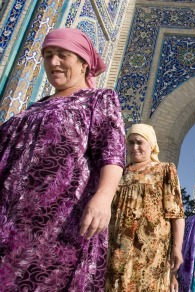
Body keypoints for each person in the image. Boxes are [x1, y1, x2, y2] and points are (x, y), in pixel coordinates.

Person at [0, 28, 125, 290]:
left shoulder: (97, 100)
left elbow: (111, 152)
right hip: (11, 220)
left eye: (62, 55)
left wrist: (103, 198)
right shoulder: (31, 109)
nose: (54, 62)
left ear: (83, 63)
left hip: (61, 225)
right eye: (48, 55)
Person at [105, 123, 185, 291]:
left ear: (151, 144)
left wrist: (177, 249)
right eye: (131, 142)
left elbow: (176, 214)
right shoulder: (119, 173)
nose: (135, 147)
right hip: (119, 247)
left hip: (152, 251)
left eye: (140, 142)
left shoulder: (164, 170)